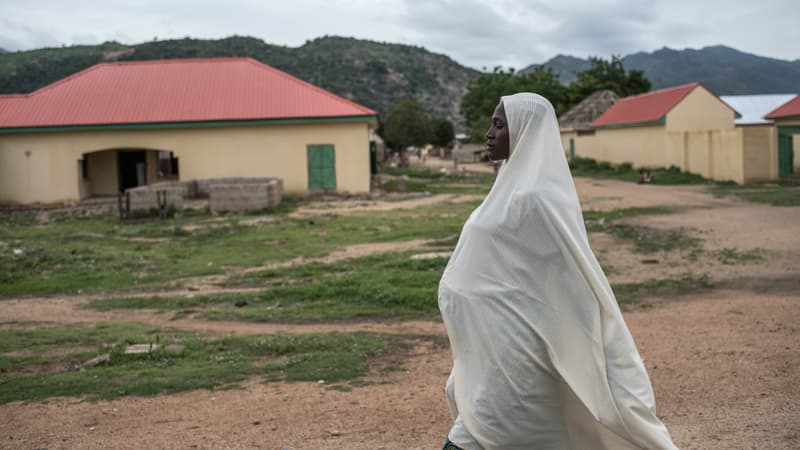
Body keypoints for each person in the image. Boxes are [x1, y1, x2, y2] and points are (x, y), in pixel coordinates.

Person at [438, 93, 678, 450]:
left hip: (519, 349)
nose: (489, 133)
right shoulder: (508, 188)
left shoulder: (535, 198)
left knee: (492, 430)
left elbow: (565, 278)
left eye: (499, 125)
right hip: (493, 348)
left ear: (525, 131)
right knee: (490, 427)